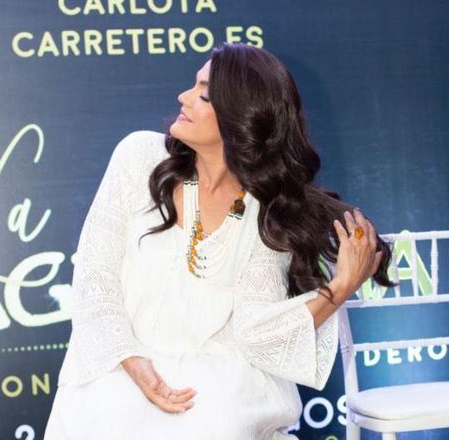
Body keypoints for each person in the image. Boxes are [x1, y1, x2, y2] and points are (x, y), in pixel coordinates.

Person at [44, 42, 396, 439]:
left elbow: (258, 334)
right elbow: (95, 278)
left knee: (216, 423)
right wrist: (131, 361)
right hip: (119, 367)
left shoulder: (264, 213)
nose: (184, 97)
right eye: (193, 84)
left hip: (215, 391)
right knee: (110, 414)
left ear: (241, 118)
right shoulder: (138, 157)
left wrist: (341, 286)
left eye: (204, 94)